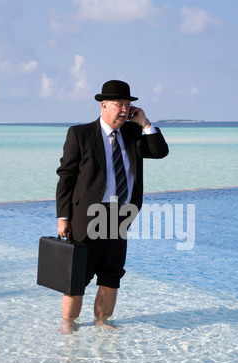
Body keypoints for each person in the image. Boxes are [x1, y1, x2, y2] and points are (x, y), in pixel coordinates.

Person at [56, 80, 169, 332]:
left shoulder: (132, 133)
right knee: (77, 277)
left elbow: (160, 152)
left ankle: (102, 322)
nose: (124, 109)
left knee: (112, 275)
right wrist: (63, 216)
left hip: (120, 215)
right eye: (119, 104)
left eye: (128, 105)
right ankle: (68, 326)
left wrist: (145, 123)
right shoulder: (80, 133)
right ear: (104, 105)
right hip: (86, 215)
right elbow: (66, 177)